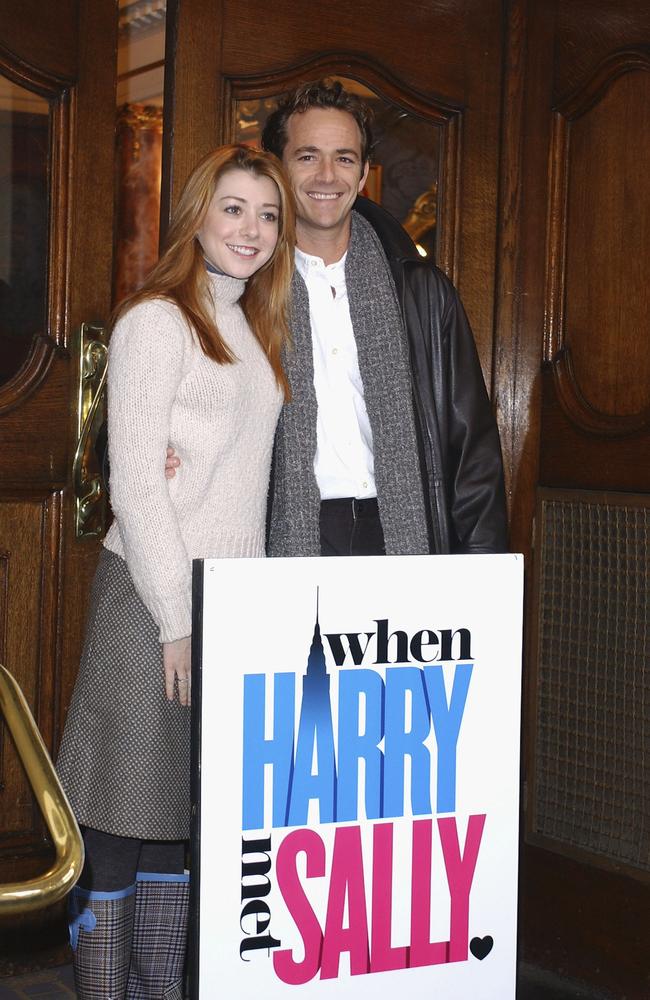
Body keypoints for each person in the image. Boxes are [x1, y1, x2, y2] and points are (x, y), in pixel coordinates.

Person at [56, 144, 295, 1000]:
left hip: (227, 601)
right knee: (122, 817)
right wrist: (176, 619)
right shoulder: (156, 320)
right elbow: (136, 490)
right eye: (233, 208)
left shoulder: (255, 321)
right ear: (196, 214)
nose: (251, 229)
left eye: (268, 214)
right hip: (153, 600)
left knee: (179, 826)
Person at [167, 79, 507, 556]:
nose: (327, 176)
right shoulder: (231, 293)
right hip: (274, 538)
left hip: (402, 535)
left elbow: (472, 451)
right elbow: (141, 410)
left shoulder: (422, 293)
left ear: (364, 173)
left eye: (344, 158)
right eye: (307, 156)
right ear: (277, 170)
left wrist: (482, 575)